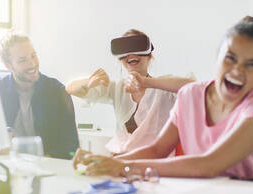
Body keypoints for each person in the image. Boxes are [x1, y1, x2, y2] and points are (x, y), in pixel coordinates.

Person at [73, 16, 253, 194]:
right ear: (217, 57)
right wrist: (105, 162)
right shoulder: (190, 95)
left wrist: (123, 167)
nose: (238, 70)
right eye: (230, 58)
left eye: (252, 64)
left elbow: (208, 165)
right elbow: (158, 149)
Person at [66, 29, 196, 155]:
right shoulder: (116, 88)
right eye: (124, 50)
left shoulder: (164, 88)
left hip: (156, 164)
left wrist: (145, 82)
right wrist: (89, 80)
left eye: (137, 47)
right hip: (121, 160)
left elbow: (193, 87)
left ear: (149, 56)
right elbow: (71, 88)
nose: (131, 54)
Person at [0, 31, 79, 159]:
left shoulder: (57, 91)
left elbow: (72, 147)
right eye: (22, 60)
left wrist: (42, 160)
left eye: (33, 55)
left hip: (47, 168)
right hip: (7, 166)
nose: (32, 64)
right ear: (8, 65)